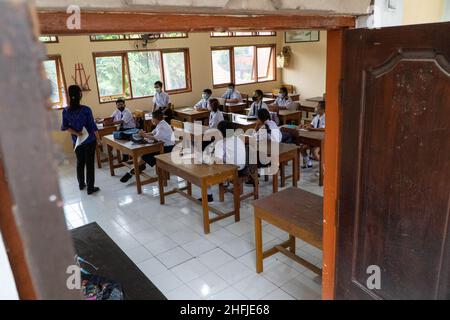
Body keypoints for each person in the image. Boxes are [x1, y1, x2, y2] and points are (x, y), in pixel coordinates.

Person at [61, 85, 101, 195]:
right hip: (89, 141)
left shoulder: (65, 111)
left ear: (69, 95)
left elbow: (65, 127)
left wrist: (77, 133)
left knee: (80, 163)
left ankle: (81, 184)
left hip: (77, 142)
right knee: (89, 164)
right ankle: (90, 188)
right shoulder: (86, 110)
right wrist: (99, 139)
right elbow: (93, 127)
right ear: (80, 94)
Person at [120, 110, 175, 183]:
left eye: (152, 118)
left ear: (155, 118)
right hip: (161, 146)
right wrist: (143, 134)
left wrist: (145, 135)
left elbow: (156, 137)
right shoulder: (160, 124)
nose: (152, 120)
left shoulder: (163, 126)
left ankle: (133, 170)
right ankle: (138, 168)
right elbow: (153, 133)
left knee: (146, 155)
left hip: (168, 149)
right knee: (145, 154)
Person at [200, 120, 247, 203]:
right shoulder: (238, 138)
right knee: (223, 160)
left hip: (233, 171)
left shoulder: (221, 143)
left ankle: (209, 196)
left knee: (205, 168)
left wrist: (208, 158)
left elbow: (218, 161)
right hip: (243, 167)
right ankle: (225, 183)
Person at [300, 101, 325, 168]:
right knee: (302, 147)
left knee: (314, 152)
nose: (316, 108)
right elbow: (311, 125)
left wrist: (312, 129)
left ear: (323, 109)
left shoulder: (326, 117)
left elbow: (324, 129)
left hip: (321, 139)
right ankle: (309, 163)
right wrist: (305, 126)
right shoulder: (317, 117)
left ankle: (324, 168)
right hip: (313, 137)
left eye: (318, 107)